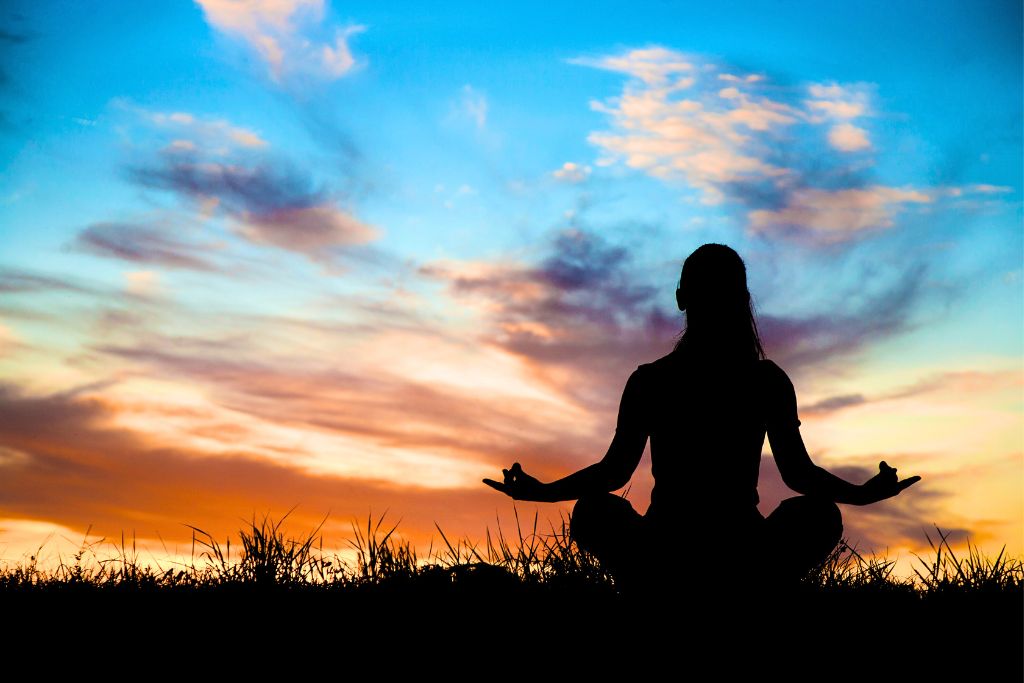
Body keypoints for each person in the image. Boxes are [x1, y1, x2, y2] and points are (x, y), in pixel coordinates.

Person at [483, 243, 921, 597]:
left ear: (680, 298)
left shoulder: (654, 380)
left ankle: (658, 591)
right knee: (817, 514)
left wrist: (544, 492)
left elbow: (612, 473)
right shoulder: (761, 380)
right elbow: (799, 475)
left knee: (595, 510)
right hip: (740, 550)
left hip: (665, 549)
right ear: (742, 299)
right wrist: (861, 495)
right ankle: (746, 593)